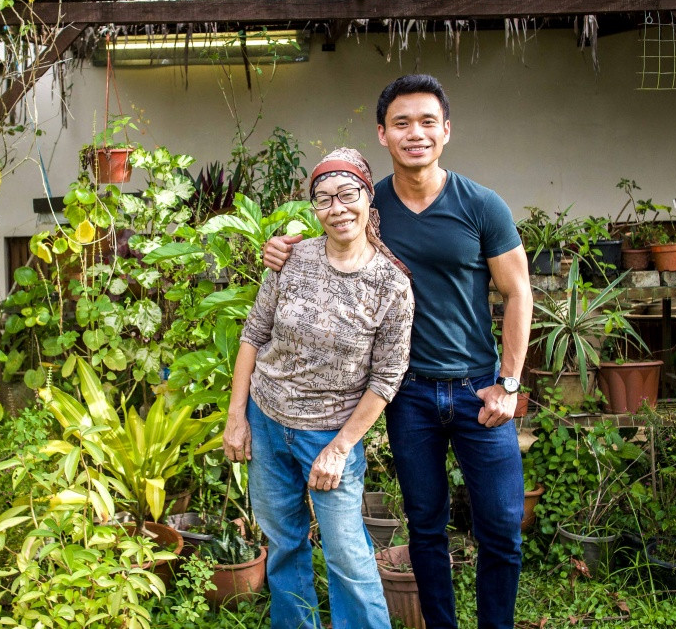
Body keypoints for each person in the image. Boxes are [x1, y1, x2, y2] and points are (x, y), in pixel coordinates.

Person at [263, 74, 533, 629]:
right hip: (407, 392)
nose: (416, 133)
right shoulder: (368, 201)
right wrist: (284, 245)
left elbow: (519, 292)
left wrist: (508, 384)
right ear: (382, 134)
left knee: (502, 525)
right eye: (402, 123)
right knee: (425, 525)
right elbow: (327, 232)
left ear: (447, 131)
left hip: (478, 387)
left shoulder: (481, 206)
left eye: (428, 121)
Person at [223, 147, 415, 629]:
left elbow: (387, 378)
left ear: (369, 199)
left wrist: (340, 448)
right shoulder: (292, 258)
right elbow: (253, 334)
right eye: (323, 198)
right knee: (284, 543)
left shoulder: (390, 285)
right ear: (313, 208)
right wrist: (237, 417)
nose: (337, 208)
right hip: (267, 424)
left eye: (348, 194)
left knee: (347, 554)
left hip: (329, 436)